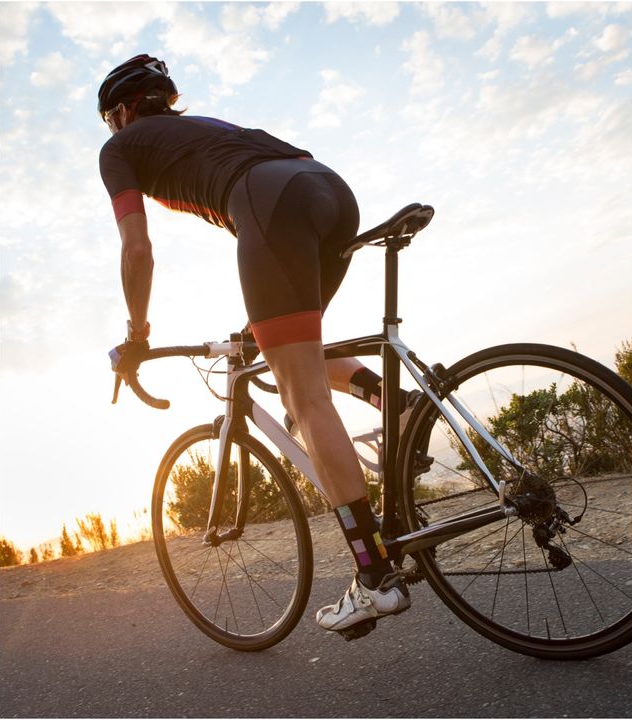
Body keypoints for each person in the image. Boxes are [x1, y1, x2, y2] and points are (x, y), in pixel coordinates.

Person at [100, 54, 415, 639]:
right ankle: (393, 401)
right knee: (285, 345)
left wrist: (137, 337)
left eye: (109, 120)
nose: (111, 131)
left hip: (270, 203)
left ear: (121, 112)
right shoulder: (205, 129)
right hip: (328, 188)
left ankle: (374, 577)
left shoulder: (119, 149)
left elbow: (136, 249)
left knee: (303, 395)